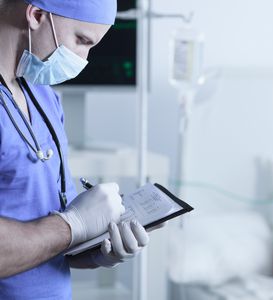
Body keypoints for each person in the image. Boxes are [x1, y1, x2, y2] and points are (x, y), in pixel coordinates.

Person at [0, 0, 158, 299]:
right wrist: (73, 226)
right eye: (82, 40)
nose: (84, 59)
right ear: (36, 15)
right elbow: (64, 227)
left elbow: (54, 239)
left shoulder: (44, 97)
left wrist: (97, 250)